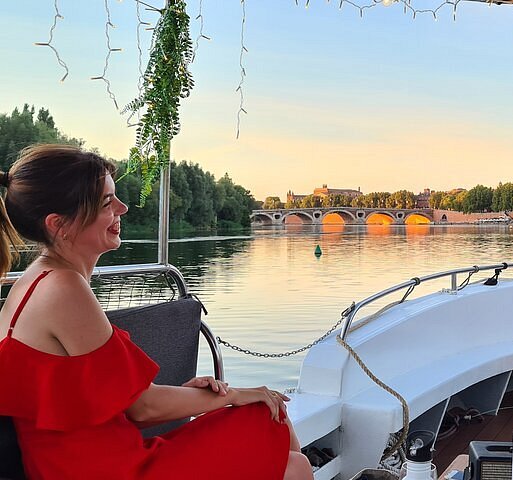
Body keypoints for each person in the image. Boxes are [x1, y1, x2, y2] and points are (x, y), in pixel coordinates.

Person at [0, 145, 313, 480]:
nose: (123, 207)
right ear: (59, 224)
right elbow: (142, 408)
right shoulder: (63, 288)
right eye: (107, 202)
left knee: (270, 418)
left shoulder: (35, 281)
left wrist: (198, 393)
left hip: (95, 458)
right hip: (108, 470)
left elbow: (103, 401)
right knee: (284, 443)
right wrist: (233, 394)